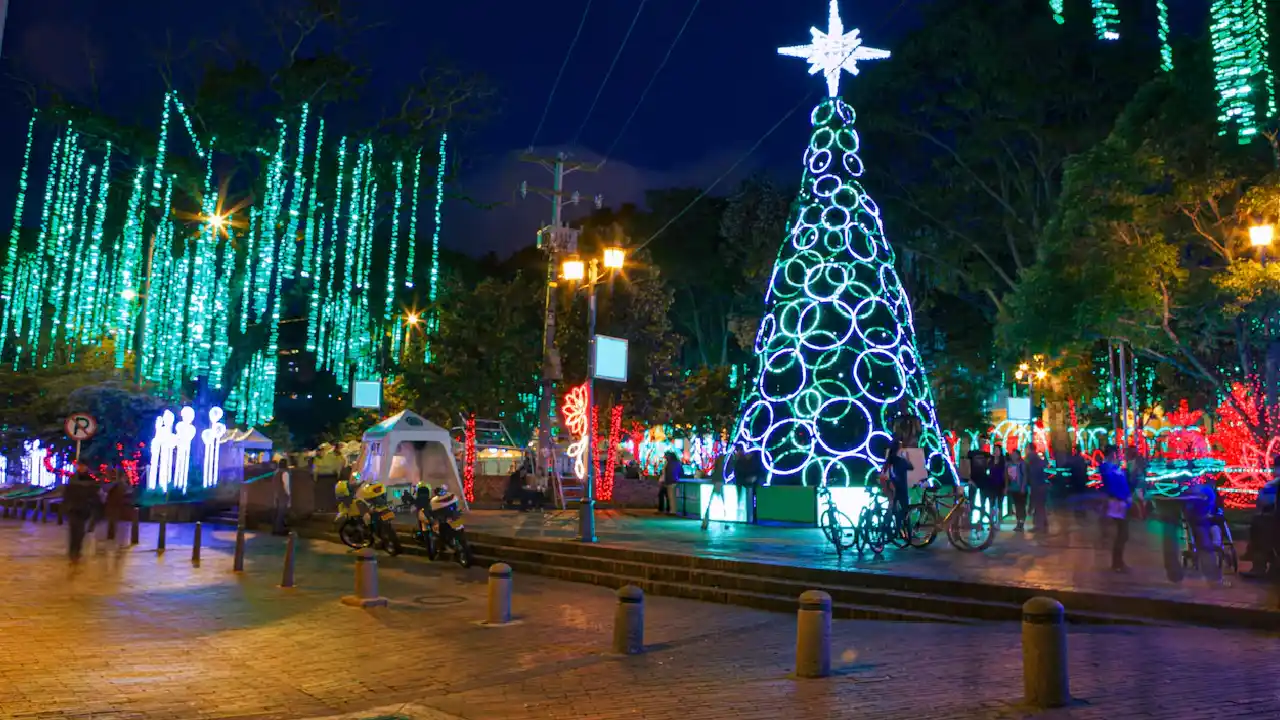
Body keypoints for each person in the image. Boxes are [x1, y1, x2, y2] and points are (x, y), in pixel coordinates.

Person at [1243, 460, 1280, 577]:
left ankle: (1260, 566)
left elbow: (1265, 502)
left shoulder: (1274, 485)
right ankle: (1265, 565)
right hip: (1272, 519)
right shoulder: (1273, 485)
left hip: (1272, 522)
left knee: (1260, 527)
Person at [1098, 445, 1131, 572]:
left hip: (1122, 502)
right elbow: (1111, 487)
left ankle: (1119, 562)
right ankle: (1117, 563)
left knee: (1123, 533)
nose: (1117, 455)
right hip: (1116, 503)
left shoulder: (1115, 467)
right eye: (1115, 453)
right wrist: (1122, 497)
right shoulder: (1107, 467)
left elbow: (1123, 483)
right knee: (1122, 533)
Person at [63, 461, 101, 560]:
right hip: (73, 508)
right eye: (79, 466)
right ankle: (73, 551)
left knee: (80, 531)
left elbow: (95, 496)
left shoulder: (91, 480)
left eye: (83, 466)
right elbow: (67, 494)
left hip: (84, 509)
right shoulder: (73, 479)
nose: (81, 468)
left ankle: (77, 550)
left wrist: (93, 507)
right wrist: (67, 506)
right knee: (73, 530)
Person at [883, 440, 914, 536]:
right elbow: (911, 467)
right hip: (902, 488)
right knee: (905, 509)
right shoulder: (901, 461)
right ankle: (906, 531)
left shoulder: (890, 460)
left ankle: (890, 529)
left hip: (893, 487)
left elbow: (884, 470)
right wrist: (907, 458)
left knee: (893, 508)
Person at [1005, 448, 1028, 532]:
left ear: (1018, 455)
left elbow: (1025, 476)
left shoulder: (1022, 464)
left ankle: (1021, 523)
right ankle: (1019, 522)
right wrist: (1007, 486)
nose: (1012, 456)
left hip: (1021, 489)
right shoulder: (1009, 464)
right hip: (1013, 488)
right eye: (1012, 454)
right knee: (1017, 506)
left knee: (1021, 506)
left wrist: (1023, 487)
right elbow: (1007, 476)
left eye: (1014, 454)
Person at [1026, 450, 1050, 533]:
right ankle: (1044, 522)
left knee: (1038, 507)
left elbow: (1033, 478)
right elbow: (1046, 465)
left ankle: (1038, 525)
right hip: (1042, 487)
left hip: (1036, 487)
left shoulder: (1033, 466)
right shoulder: (1040, 462)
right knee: (1041, 506)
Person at [966, 441, 992, 515]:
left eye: (983, 441)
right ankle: (971, 518)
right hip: (973, 479)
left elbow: (989, 465)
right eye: (981, 441)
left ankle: (981, 518)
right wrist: (969, 478)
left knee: (982, 501)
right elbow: (967, 463)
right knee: (971, 501)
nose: (982, 443)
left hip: (983, 480)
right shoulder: (972, 453)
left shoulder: (987, 454)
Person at [988, 445, 1007, 527]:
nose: (996, 452)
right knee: (991, 503)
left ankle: (999, 520)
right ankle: (991, 521)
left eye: (998, 450)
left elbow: (1005, 475)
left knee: (999, 503)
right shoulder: (990, 461)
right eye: (995, 450)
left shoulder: (1003, 462)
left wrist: (1006, 486)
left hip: (1000, 484)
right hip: (991, 484)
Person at [272, 457, 292, 535]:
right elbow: (286, 486)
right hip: (283, 495)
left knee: (277, 513)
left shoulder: (276, 472)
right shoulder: (285, 473)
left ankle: (276, 528)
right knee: (281, 513)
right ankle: (279, 530)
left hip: (276, 494)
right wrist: (289, 495)